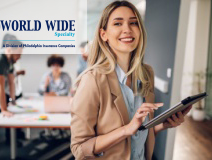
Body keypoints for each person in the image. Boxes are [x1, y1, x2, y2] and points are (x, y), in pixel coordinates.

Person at [70, 1, 192, 160]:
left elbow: (136, 136)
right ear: (103, 34)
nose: (127, 29)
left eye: (133, 23)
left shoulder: (147, 73)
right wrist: (126, 129)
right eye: (118, 23)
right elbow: (79, 149)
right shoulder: (92, 80)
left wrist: (163, 125)